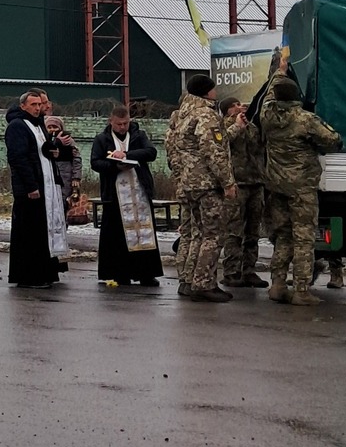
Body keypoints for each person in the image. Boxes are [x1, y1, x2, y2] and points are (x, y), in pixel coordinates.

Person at [259, 74, 339, 304]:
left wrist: (278, 73)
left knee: (283, 236)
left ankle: (278, 284)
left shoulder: (267, 116)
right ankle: (302, 290)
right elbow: (333, 139)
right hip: (302, 186)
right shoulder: (305, 119)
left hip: (276, 185)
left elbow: (268, 97)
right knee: (304, 238)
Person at [166, 74, 236, 302]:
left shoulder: (182, 115)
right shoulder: (206, 114)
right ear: (207, 92)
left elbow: (172, 151)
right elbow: (213, 151)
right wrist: (227, 182)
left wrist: (180, 177)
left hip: (188, 183)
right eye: (214, 88)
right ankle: (204, 283)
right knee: (213, 235)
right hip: (207, 184)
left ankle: (188, 280)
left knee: (196, 233)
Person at [89, 105, 163, 287]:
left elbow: (151, 152)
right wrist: (115, 166)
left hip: (139, 192)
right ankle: (118, 273)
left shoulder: (139, 135)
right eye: (119, 124)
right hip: (115, 195)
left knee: (143, 233)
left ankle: (146, 273)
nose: (123, 127)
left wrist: (128, 155)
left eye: (126, 123)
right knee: (116, 235)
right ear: (111, 122)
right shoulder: (102, 139)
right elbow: (95, 162)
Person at [4, 89, 67, 287]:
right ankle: (28, 276)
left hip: (46, 186)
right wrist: (31, 186)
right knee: (29, 234)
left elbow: (41, 150)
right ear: (23, 106)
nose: (38, 108)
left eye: (40, 105)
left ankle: (45, 273)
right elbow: (18, 158)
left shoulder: (39, 124)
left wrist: (53, 149)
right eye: (33, 105)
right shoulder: (17, 126)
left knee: (41, 232)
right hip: (30, 189)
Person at [218, 96, 267, 289]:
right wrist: (237, 126)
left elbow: (261, 147)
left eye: (241, 104)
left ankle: (249, 270)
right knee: (234, 231)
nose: (240, 108)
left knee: (252, 232)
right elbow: (221, 145)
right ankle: (231, 271)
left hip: (255, 183)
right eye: (235, 105)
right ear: (227, 110)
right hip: (236, 184)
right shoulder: (223, 127)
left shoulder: (252, 127)